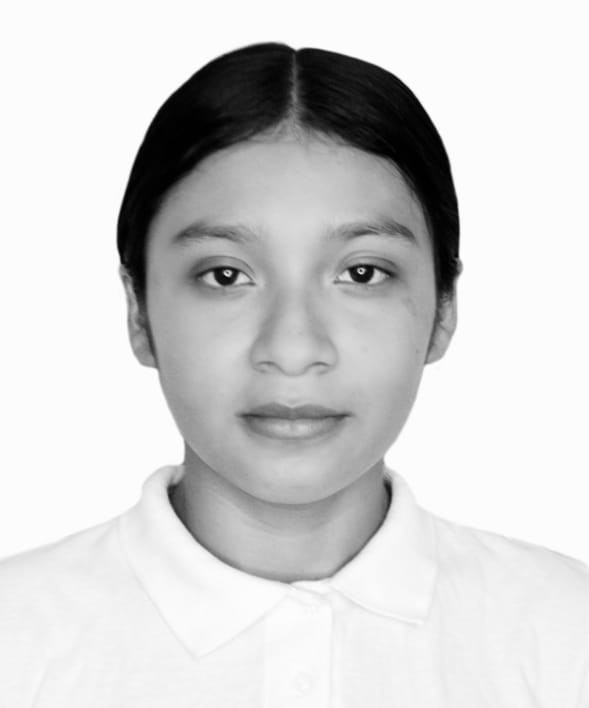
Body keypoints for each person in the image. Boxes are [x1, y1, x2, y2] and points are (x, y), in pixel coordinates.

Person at [1, 41, 588, 707]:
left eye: (361, 273)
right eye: (226, 276)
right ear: (139, 311)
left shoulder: (567, 638)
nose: (292, 348)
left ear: (443, 309)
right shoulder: (14, 644)